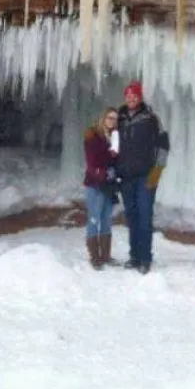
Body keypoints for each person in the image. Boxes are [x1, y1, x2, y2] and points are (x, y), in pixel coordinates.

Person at [117, 80, 170, 274]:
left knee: (145, 217)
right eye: (128, 95)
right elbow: (112, 145)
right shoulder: (119, 117)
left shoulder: (151, 117)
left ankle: (146, 259)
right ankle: (134, 256)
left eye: (134, 95)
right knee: (131, 217)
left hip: (146, 176)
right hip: (126, 177)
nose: (131, 98)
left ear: (139, 97)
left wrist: (157, 172)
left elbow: (164, 143)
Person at [82, 106, 119, 269]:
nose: (112, 121)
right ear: (103, 118)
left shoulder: (113, 137)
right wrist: (103, 172)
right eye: (110, 118)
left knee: (106, 219)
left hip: (108, 185)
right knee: (94, 218)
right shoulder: (93, 136)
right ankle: (94, 257)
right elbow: (91, 163)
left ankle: (105, 256)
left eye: (115, 119)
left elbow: (115, 159)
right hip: (95, 184)